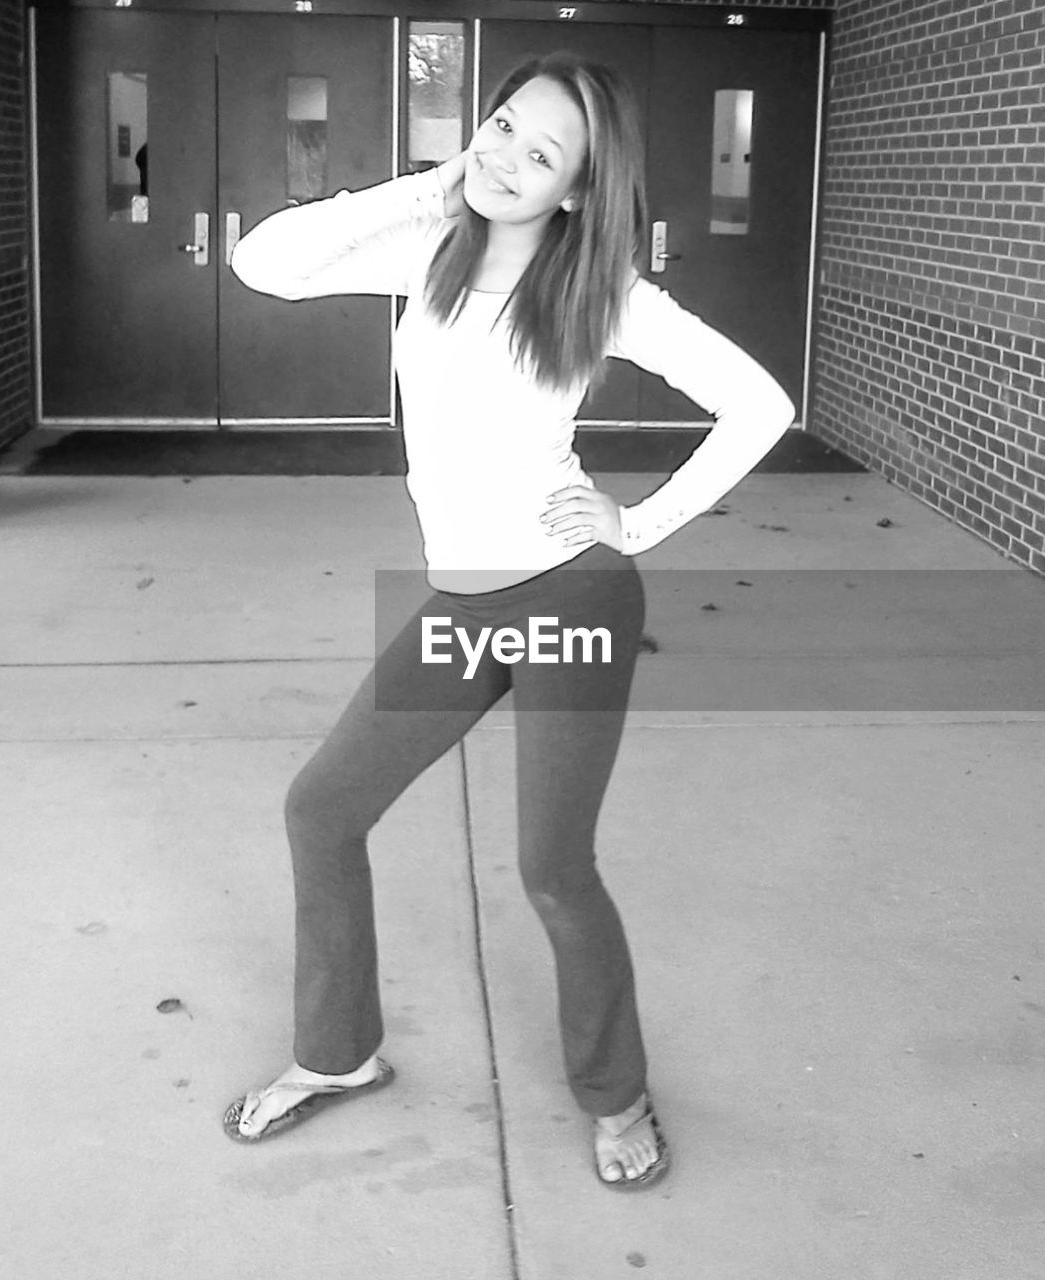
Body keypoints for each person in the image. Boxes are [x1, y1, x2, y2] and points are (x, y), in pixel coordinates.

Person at [223, 51, 795, 1190]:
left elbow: (760, 403)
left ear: (577, 189)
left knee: (551, 866)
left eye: (542, 154)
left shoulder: (604, 294)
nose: (505, 158)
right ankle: (337, 1056)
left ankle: (615, 1090)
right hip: (463, 601)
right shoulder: (428, 251)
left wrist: (641, 522)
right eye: (500, 127)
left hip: (568, 592)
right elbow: (262, 263)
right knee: (322, 808)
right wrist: (427, 185)